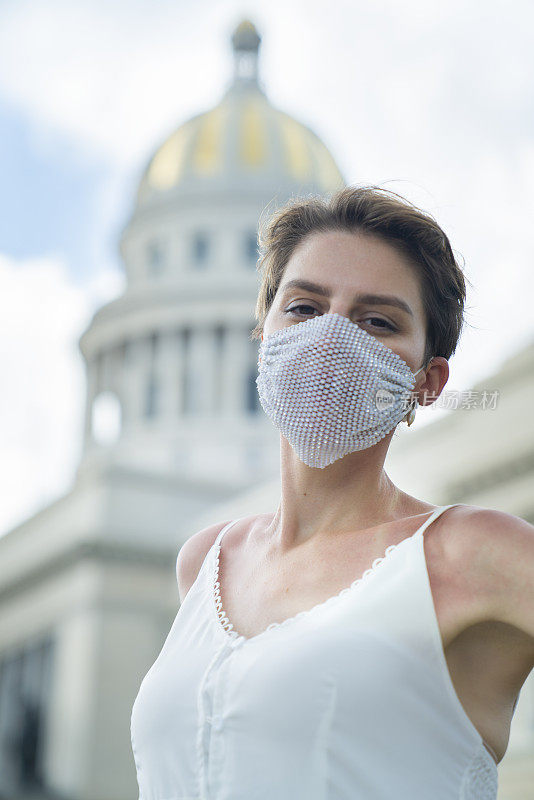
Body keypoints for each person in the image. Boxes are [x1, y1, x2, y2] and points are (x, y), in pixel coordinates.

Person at [130, 185, 534, 800]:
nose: (329, 339)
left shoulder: (469, 552)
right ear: (262, 335)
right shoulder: (206, 563)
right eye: (303, 307)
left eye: (377, 320)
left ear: (426, 381)